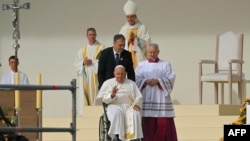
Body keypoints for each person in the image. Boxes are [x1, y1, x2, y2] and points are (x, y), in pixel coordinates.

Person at [135, 43, 178, 141]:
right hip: (146, 95)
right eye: (150, 52)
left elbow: (171, 77)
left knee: (163, 123)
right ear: (147, 53)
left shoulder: (166, 64)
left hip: (160, 97)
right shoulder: (141, 65)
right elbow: (136, 79)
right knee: (147, 124)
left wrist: (158, 81)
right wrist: (145, 81)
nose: (152, 54)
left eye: (154, 52)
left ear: (158, 52)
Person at [96, 65, 143, 141]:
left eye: (122, 74)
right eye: (118, 74)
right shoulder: (108, 83)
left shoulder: (131, 83)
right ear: (114, 73)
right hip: (114, 106)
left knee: (135, 113)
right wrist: (112, 95)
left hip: (129, 106)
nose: (120, 76)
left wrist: (137, 104)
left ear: (125, 74)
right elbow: (103, 99)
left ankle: (134, 137)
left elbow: (139, 97)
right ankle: (116, 137)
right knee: (117, 113)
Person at [74, 27, 105, 106]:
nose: (92, 36)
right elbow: (76, 63)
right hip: (85, 76)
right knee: (85, 95)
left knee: (96, 93)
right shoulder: (82, 50)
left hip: (96, 75)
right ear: (87, 36)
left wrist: (92, 62)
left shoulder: (101, 48)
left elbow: (104, 62)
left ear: (96, 35)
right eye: (90, 35)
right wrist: (83, 62)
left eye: (93, 35)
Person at [119, 0, 151, 69]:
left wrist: (136, 39)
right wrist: (128, 40)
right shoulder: (123, 29)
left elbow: (147, 43)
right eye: (128, 17)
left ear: (135, 17)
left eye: (132, 17)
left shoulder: (142, 27)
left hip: (139, 56)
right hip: (127, 56)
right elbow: (119, 44)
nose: (130, 19)